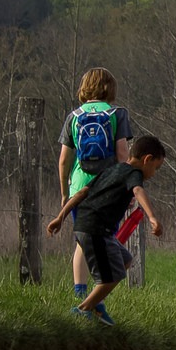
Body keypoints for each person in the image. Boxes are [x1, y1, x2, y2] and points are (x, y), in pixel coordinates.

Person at [46, 134, 166, 324]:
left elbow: (81, 192)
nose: (154, 172)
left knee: (125, 259)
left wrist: (61, 216)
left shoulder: (112, 170)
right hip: (95, 229)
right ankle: (83, 309)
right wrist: (152, 217)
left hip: (88, 226)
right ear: (147, 159)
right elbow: (137, 190)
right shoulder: (134, 174)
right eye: (156, 167)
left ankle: (96, 302)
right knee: (114, 275)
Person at [55, 67, 133, 322]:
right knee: (106, 237)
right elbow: (122, 152)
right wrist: (127, 184)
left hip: (79, 184)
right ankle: (94, 302)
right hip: (107, 187)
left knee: (82, 238)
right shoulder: (117, 114)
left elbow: (65, 159)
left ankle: (81, 293)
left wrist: (65, 192)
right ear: (109, 88)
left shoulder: (74, 116)